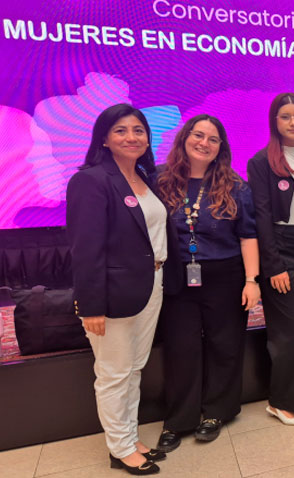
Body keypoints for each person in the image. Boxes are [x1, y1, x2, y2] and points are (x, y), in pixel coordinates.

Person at [67, 104, 179, 475]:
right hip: (112, 293)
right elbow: (86, 249)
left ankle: (128, 437)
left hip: (152, 283)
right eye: (120, 130)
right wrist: (92, 305)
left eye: (138, 130)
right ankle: (118, 448)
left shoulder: (145, 177)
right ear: (104, 137)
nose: (131, 137)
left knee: (134, 368)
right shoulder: (92, 180)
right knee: (114, 371)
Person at [155, 115, 260, 451]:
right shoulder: (160, 181)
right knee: (181, 347)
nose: (204, 143)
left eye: (213, 139)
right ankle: (179, 419)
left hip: (225, 276)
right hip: (177, 277)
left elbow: (248, 236)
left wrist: (252, 280)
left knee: (225, 345)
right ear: (185, 139)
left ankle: (217, 411)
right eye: (198, 135)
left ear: (220, 148)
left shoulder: (235, 186)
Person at [247, 93, 294, 425]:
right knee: (292, 330)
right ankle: (281, 402)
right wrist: (274, 265)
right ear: (274, 122)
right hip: (281, 247)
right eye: (285, 116)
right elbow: (261, 217)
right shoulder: (261, 162)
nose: (293, 122)